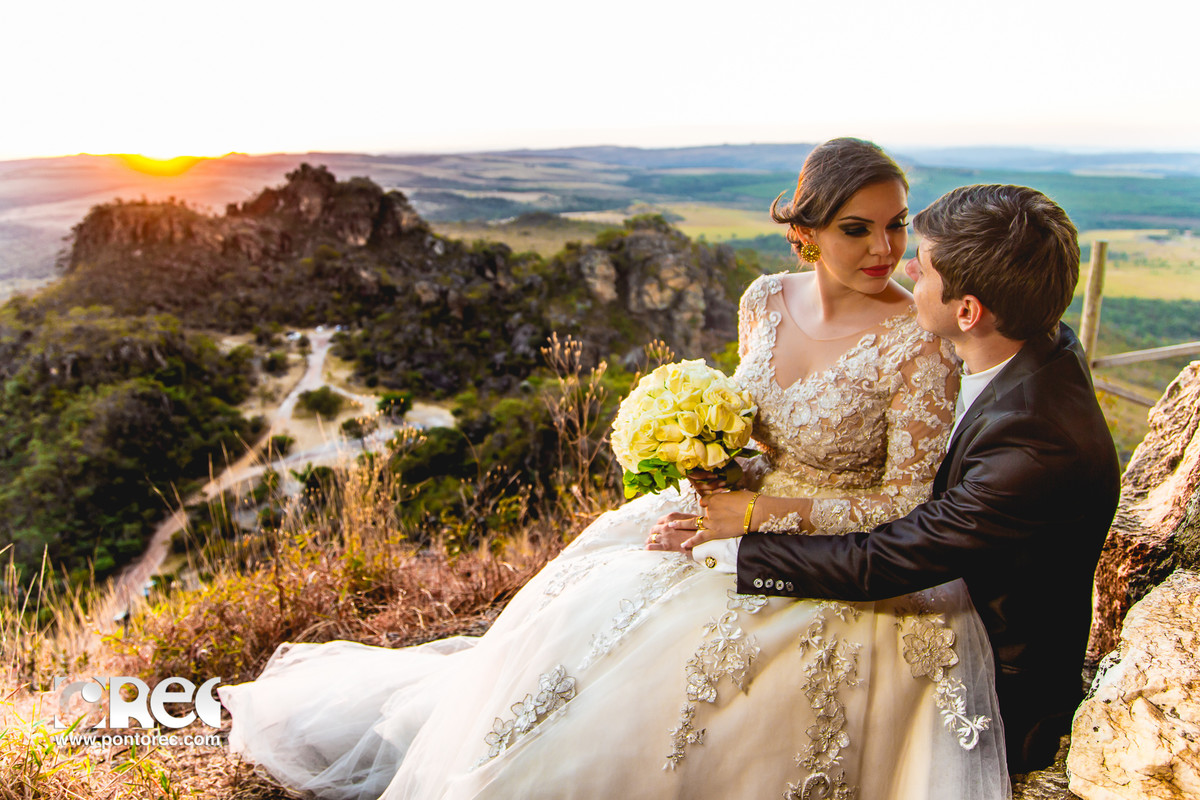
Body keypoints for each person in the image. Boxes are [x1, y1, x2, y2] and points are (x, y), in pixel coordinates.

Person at [219, 139, 1010, 799]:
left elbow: (905, 502)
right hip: (728, 514)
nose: (885, 250)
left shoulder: (918, 341)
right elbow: (757, 431)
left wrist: (757, 519)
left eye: (897, 227)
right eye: (857, 229)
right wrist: (710, 468)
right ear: (804, 235)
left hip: (838, 560)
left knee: (675, 675)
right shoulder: (765, 300)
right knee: (580, 616)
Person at [681, 183, 1121, 773]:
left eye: (926, 265)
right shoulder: (1035, 339)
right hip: (943, 563)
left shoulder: (1035, 446)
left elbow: (880, 562)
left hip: (999, 680)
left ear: (967, 312)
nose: (904, 264)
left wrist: (738, 551)